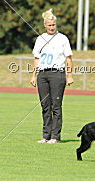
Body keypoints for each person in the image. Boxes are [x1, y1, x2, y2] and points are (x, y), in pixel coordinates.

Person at [30, 9, 74, 144]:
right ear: (45, 25)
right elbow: (37, 58)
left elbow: (68, 58)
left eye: (53, 25)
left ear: (56, 24)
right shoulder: (40, 39)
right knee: (45, 105)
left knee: (56, 106)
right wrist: (33, 75)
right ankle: (46, 135)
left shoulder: (62, 38)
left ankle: (55, 136)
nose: (51, 27)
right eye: (49, 25)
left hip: (57, 74)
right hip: (42, 74)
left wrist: (69, 75)